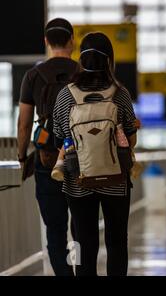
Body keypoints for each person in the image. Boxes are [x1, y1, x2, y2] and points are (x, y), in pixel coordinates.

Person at [52, 32, 137, 276]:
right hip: (116, 178)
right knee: (117, 241)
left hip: (79, 179)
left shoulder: (66, 94)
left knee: (85, 241)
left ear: (81, 59)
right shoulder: (120, 93)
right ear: (109, 60)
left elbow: (60, 137)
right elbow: (130, 138)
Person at [17, 18, 78, 276]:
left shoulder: (33, 75)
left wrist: (22, 156)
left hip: (46, 159)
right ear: (72, 41)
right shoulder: (84, 73)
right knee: (82, 226)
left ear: (46, 42)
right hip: (81, 159)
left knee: (55, 228)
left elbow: (23, 124)